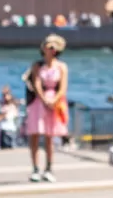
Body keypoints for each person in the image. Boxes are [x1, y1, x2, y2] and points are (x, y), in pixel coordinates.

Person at [24, 33, 69, 182]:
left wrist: (54, 101)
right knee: (35, 136)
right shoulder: (37, 65)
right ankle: (35, 168)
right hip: (39, 102)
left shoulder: (62, 66)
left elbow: (62, 88)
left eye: (53, 47)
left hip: (54, 102)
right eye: (49, 46)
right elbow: (36, 84)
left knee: (49, 137)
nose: (51, 49)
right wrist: (44, 99)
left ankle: (49, 168)